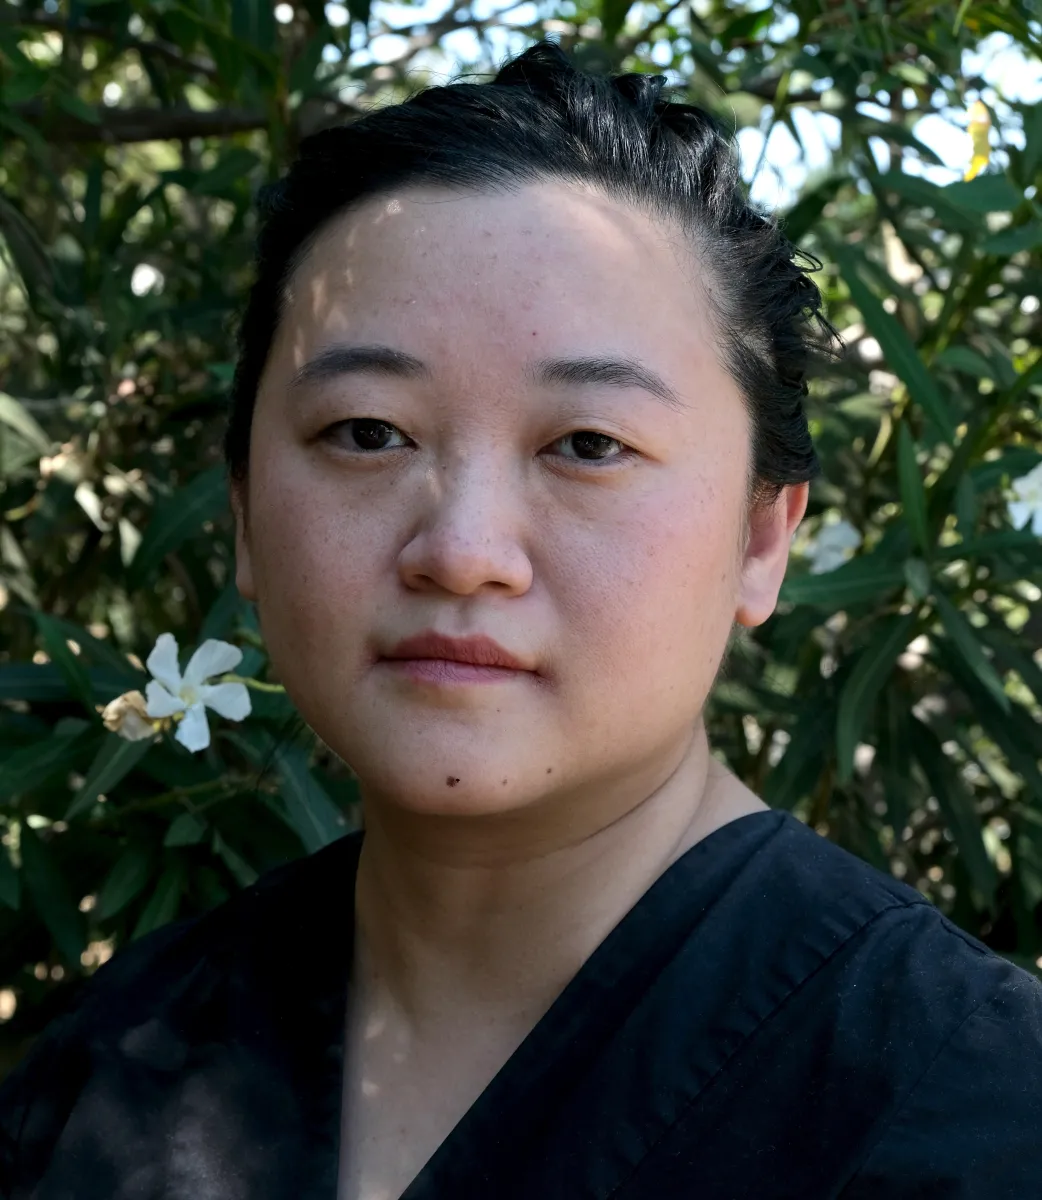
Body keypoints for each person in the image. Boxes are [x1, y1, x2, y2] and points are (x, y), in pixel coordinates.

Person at [2, 38, 1041, 1200]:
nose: (461, 551)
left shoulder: (970, 1106)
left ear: (761, 538)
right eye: (366, 431)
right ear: (243, 509)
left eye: (588, 444)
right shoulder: (109, 1070)